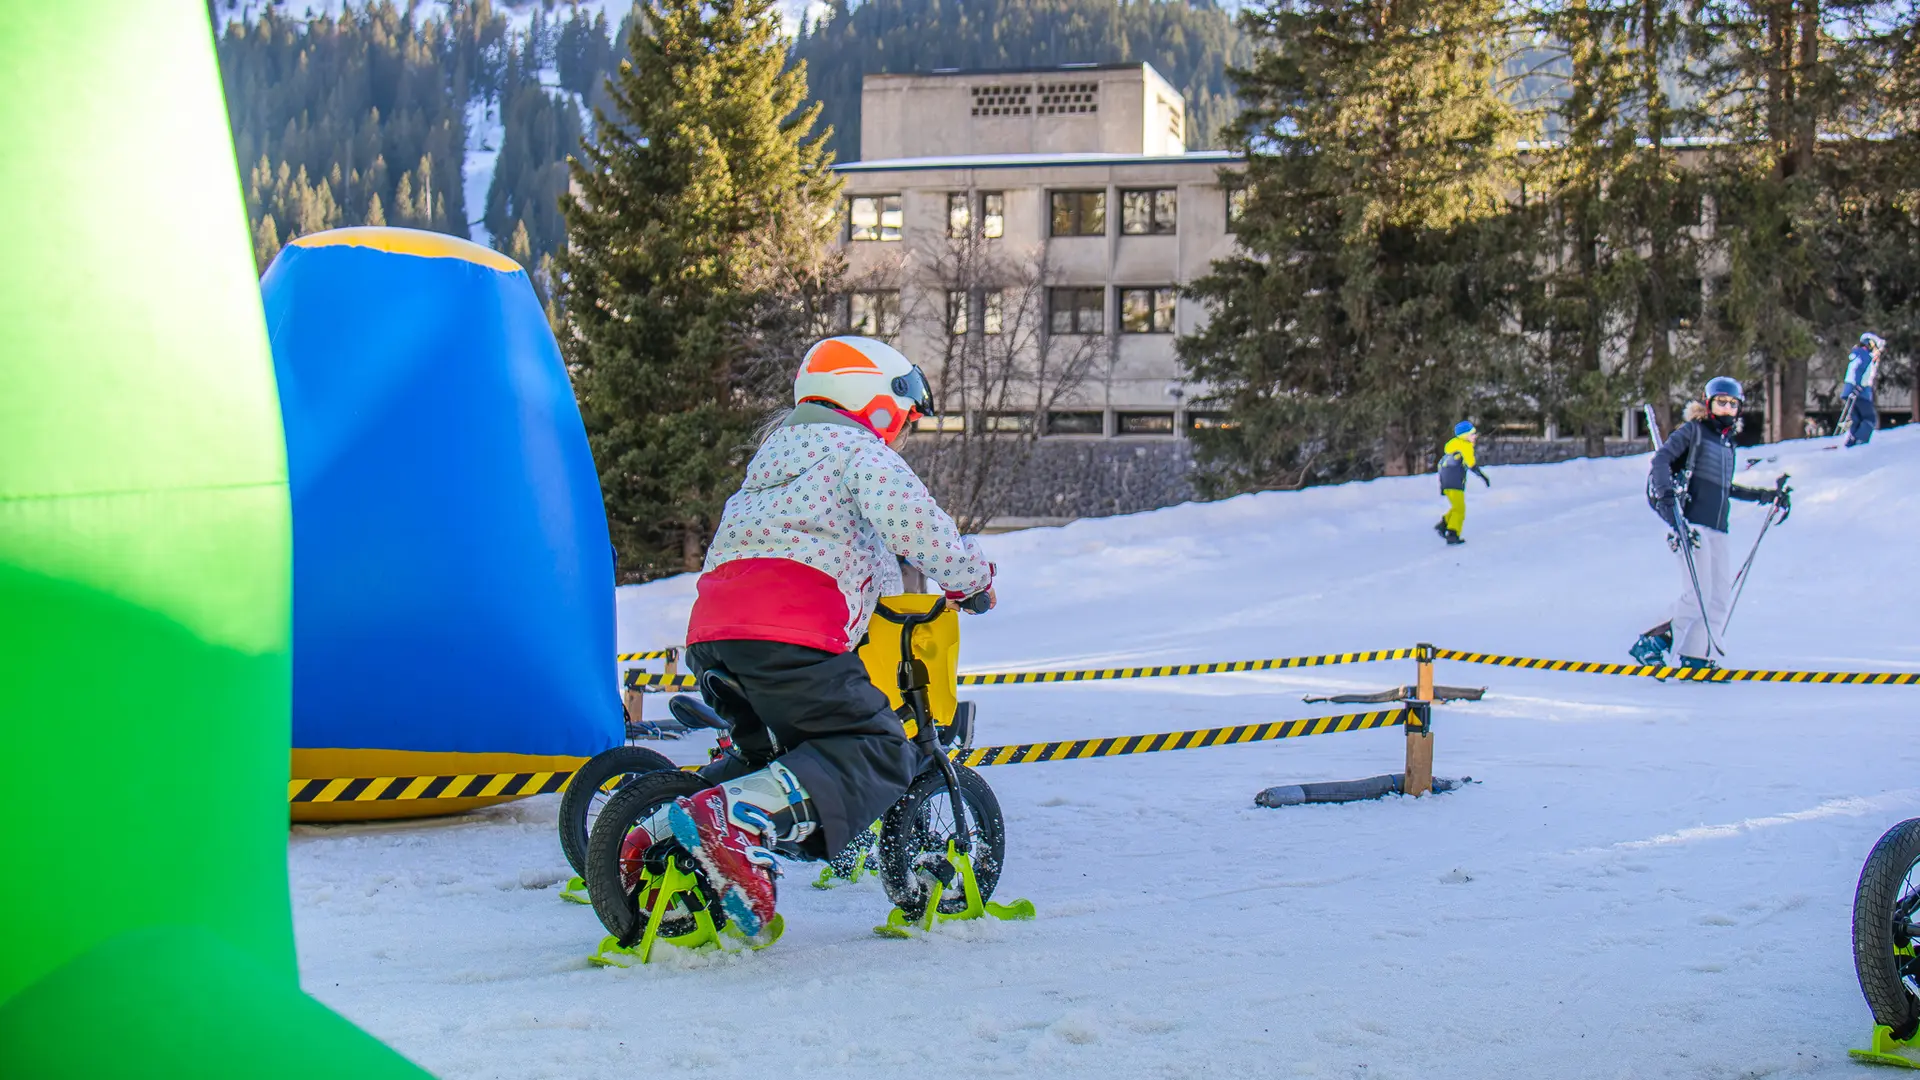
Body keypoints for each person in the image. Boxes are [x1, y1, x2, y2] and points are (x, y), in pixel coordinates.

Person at [620, 336, 996, 939]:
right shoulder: (855, 450)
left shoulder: (775, 461)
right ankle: (734, 821)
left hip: (717, 637)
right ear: (874, 397)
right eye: (904, 413)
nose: (902, 430)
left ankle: (667, 827)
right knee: (873, 746)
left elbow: (856, 550)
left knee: (770, 756)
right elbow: (915, 524)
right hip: (790, 635)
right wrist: (969, 580)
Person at [1629, 377, 1790, 670]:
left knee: (1718, 598)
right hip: (1692, 525)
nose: (1727, 408)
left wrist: (1767, 496)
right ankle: (1651, 641)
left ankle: (1696, 655)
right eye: (1721, 402)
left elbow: (1724, 487)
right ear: (1708, 403)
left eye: (1732, 404)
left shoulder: (1727, 446)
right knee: (1697, 593)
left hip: (1719, 528)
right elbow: (1661, 461)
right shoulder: (1694, 432)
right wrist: (1666, 498)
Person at [1433, 421, 1490, 545]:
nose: (1475, 436)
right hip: (1455, 482)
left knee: (1456, 507)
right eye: (1472, 434)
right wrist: (1483, 476)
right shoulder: (1465, 446)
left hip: (1446, 482)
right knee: (1460, 510)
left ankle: (1444, 524)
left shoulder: (1452, 447)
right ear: (1465, 436)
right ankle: (1453, 533)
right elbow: (1471, 464)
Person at [1841, 332, 1885, 447]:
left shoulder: (1857, 354)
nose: (1878, 351)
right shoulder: (1866, 356)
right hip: (1860, 391)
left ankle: (1852, 441)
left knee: (1857, 418)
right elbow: (1860, 371)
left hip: (1849, 389)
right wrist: (1858, 386)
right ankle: (1860, 441)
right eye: (1876, 347)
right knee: (1869, 418)